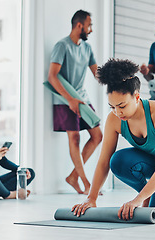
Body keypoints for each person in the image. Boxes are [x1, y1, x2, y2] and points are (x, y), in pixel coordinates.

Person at [72, 59, 155, 220]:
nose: (117, 112)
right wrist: (91, 198)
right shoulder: (114, 119)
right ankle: (149, 195)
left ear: (136, 97)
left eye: (122, 106)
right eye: (112, 107)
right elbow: (104, 161)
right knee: (118, 161)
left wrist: (137, 200)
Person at [48, 10, 103, 195]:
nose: (91, 29)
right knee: (75, 138)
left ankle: (73, 177)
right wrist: (70, 99)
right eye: (89, 25)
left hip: (82, 98)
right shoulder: (62, 46)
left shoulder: (87, 49)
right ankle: (86, 183)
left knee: (97, 136)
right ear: (79, 25)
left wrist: (117, 79)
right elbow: (52, 76)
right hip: (65, 100)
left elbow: (98, 74)